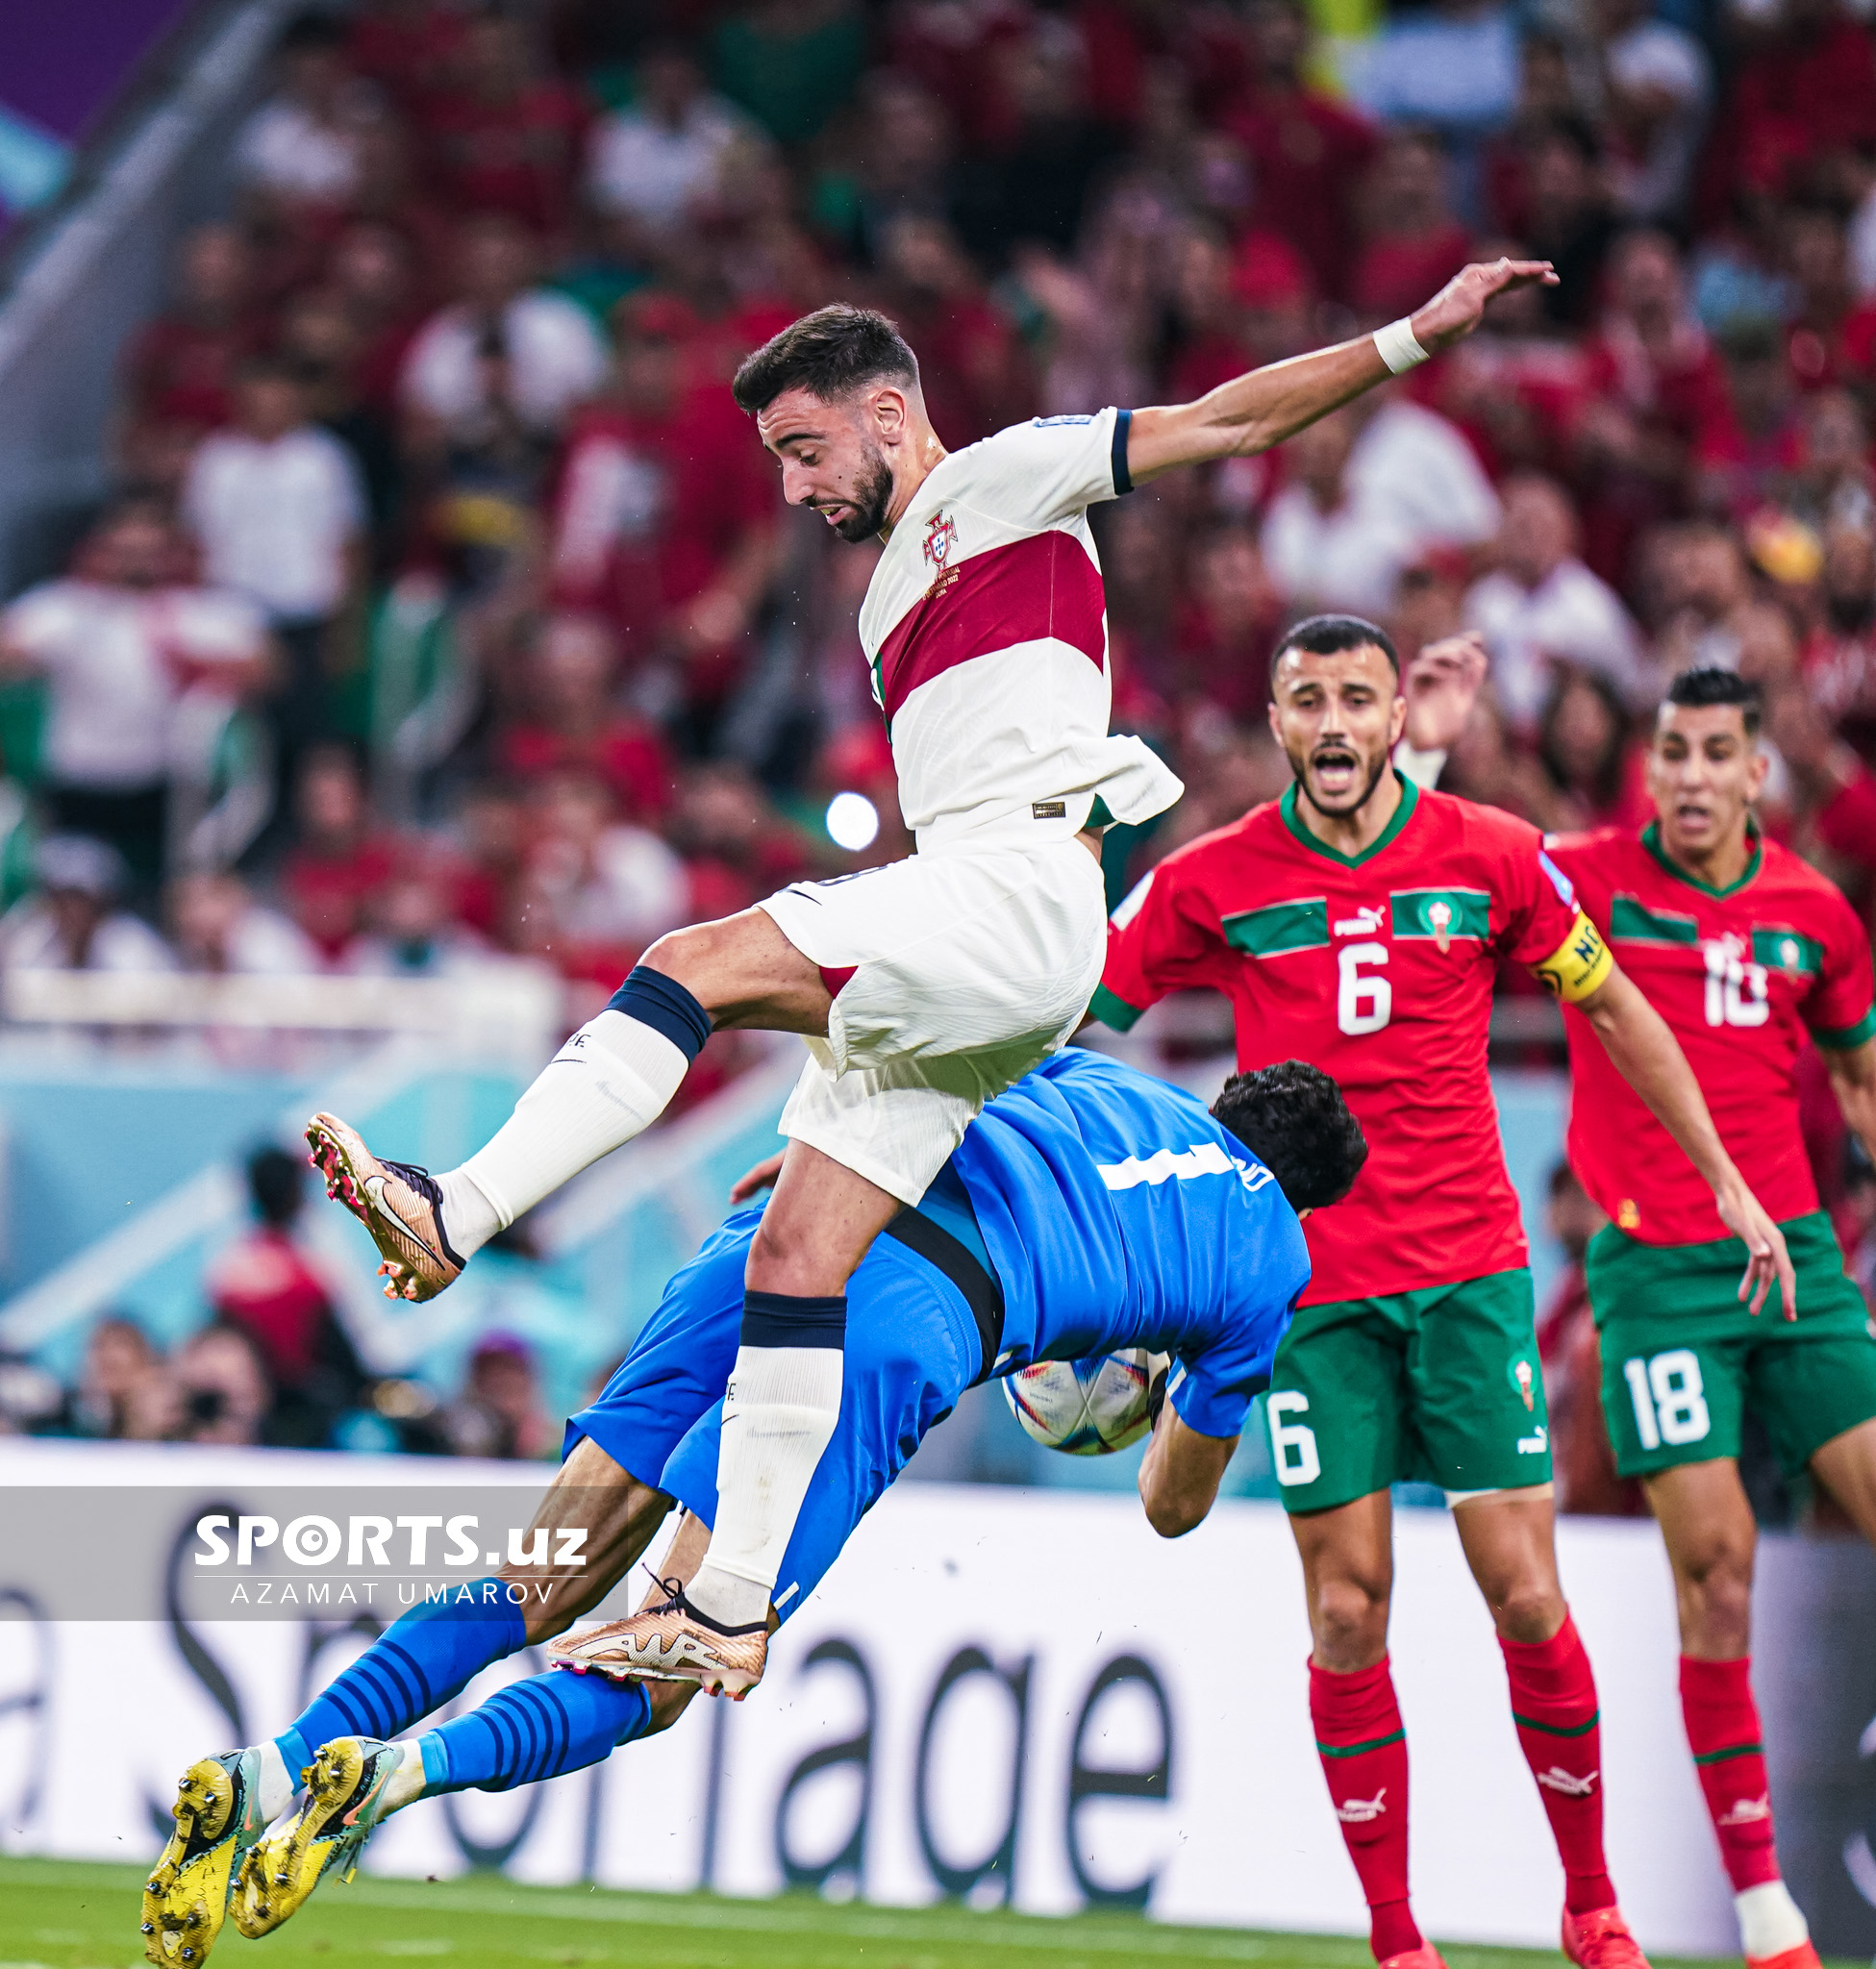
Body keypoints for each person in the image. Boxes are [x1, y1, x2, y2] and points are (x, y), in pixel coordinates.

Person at [310, 257, 1561, 1702]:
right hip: (974, 930)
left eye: (803, 448)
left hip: (1016, 892)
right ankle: (725, 1603)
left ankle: (455, 1210)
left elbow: (1227, 421)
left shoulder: (1012, 478)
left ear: (890, 412)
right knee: (794, 1252)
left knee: (685, 964)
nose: (788, 489)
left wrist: (1413, 330)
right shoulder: (880, 602)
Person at [141, 1045, 1363, 1965]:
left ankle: (273, 1763)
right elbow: (1173, 1505)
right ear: (1304, 1200)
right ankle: (396, 1774)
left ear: (1224, 1100)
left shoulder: (1105, 1071)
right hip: (907, 1318)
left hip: (782, 1229)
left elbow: (931, 1070)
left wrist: (799, 1165)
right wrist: (1139, 1395)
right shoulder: (1273, 1259)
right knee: (673, 1656)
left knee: (542, 1569)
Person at [1091, 613, 1794, 1969]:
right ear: (1277, 723)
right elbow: (1076, 1023)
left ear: (1387, 719)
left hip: (1467, 1276)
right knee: (1347, 1607)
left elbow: (1611, 1008)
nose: (1335, 726)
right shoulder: (1207, 881)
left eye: (1357, 700)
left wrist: (1718, 1172)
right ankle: (1397, 1939)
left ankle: (1590, 1906)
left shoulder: (1487, 857)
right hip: (1307, 1292)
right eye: (1308, 703)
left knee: (1520, 1590)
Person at [1543, 667, 1876, 1969]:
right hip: (1656, 1275)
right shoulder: (1588, 878)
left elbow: (1853, 1073)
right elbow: (1462, 861)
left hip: (1794, 1269)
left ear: (1755, 775)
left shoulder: (1815, 915)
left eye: (1709, 753)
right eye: (1665, 752)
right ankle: (1762, 1909)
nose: (1682, 776)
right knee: (1716, 1568)